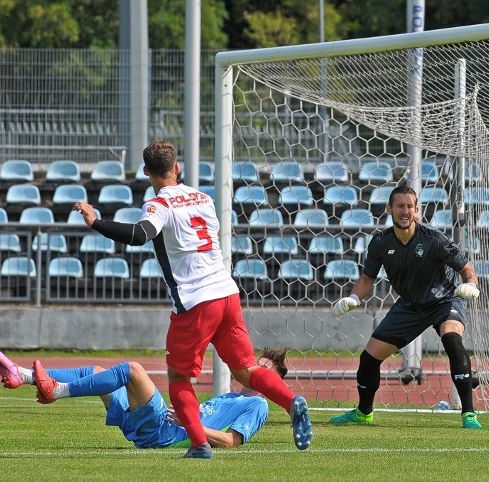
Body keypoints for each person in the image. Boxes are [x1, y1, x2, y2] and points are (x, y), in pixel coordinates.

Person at [71, 139, 311, 458]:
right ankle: (290, 401)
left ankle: (199, 445)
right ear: (177, 167)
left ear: (146, 171)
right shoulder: (204, 198)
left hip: (196, 301)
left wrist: (96, 222)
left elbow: (140, 235)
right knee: (246, 370)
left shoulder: (159, 204)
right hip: (226, 292)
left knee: (179, 378)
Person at [329, 184, 483, 429]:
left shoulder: (433, 239)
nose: (405, 211)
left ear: (416, 210)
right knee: (369, 357)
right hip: (410, 305)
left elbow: (466, 268)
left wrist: (472, 284)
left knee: (452, 338)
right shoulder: (380, 242)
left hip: (444, 299)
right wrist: (353, 299)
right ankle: (363, 412)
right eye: (400, 206)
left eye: (410, 206)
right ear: (389, 208)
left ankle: (469, 414)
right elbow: (367, 278)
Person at [0, 343, 288, 450]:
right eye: (256, 364)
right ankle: (21, 374)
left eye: (263, 370)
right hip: (157, 429)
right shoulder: (230, 396)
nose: (254, 369)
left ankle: (56, 390)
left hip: (166, 433)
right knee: (96, 370)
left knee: (132, 369)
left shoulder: (257, 405)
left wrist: (191, 425)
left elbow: (232, 442)